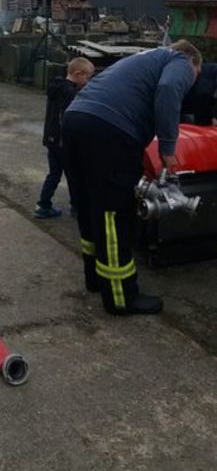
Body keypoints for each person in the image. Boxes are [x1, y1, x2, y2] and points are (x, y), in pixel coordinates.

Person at [62, 40, 202, 316]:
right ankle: (121, 297)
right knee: (115, 214)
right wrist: (168, 148)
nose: (191, 83)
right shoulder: (180, 61)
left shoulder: (143, 59)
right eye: (193, 79)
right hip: (109, 129)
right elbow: (168, 89)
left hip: (75, 119)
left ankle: (96, 278)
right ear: (192, 62)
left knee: (90, 206)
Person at [34, 57, 95, 219]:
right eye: (87, 77)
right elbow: (68, 120)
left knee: (54, 173)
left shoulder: (57, 87)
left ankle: (43, 205)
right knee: (74, 174)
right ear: (78, 73)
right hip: (63, 143)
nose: (88, 82)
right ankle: (77, 206)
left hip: (51, 140)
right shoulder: (70, 93)